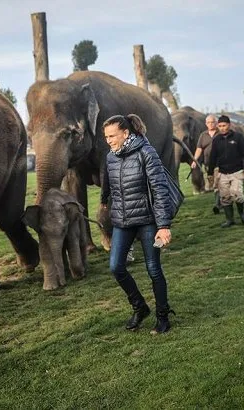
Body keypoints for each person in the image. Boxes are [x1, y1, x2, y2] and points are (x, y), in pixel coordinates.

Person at [102, 114, 175, 334]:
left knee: (153, 269)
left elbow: (159, 189)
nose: (109, 140)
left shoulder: (146, 152)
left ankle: (163, 316)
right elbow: (110, 186)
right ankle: (140, 307)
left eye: (112, 135)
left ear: (126, 133)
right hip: (123, 221)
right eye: (106, 136)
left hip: (148, 221)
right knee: (116, 267)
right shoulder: (110, 157)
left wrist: (163, 225)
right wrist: (106, 204)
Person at [208, 115, 244, 228]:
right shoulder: (216, 140)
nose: (222, 128)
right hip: (222, 173)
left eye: (224, 125)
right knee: (225, 197)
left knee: (237, 194)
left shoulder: (238, 137)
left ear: (229, 125)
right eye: (220, 126)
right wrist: (210, 172)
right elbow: (212, 157)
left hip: (237, 171)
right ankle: (229, 220)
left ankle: (242, 213)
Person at [191, 114, 221, 213]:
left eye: (212, 122)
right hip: (208, 165)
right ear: (206, 124)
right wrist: (195, 160)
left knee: (217, 185)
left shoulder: (221, 133)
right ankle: (222, 201)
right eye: (208, 122)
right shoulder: (203, 135)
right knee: (212, 185)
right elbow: (199, 149)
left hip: (220, 164)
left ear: (216, 123)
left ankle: (217, 204)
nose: (211, 124)